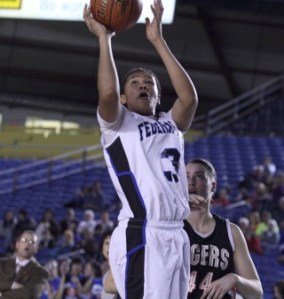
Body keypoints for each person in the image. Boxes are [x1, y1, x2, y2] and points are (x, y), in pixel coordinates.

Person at [83, 0, 198, 297]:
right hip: (142, 231)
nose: (143, 86)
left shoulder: (171, 123)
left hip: (176, 234)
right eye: (134, 83)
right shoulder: (118, 124)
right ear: (123, 98)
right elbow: (107, 92)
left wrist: (158, 40)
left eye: (149, 83)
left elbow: (189, 99)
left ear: (159, 97)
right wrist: (104, 39)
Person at [184, 158, 263, 299]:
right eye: (186, 176)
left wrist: (235, 279)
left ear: (213, 186)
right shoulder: (172, 227)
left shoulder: (231, 232)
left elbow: (256, 293)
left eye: (199, 176)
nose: (191, 182)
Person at [0, 230, 49, 298]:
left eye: (32, 242)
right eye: (24, 240)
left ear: (36, 249)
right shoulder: (2, 264)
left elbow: (28, 295)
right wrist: (12, 285)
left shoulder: (41, 272)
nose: (28, 244)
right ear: (17, 244)